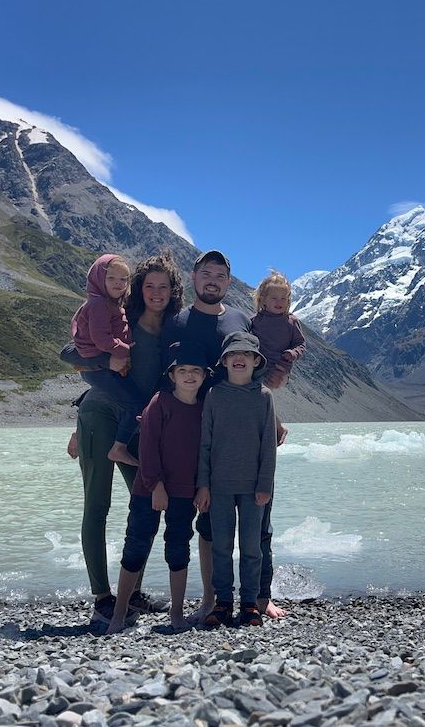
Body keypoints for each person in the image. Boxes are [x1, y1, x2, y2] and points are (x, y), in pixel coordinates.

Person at [66, 253, 216, 625]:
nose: (156, 293)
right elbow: (71, 352)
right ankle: (103, 595)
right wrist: (104, 366)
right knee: (97, 506)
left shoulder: (174, 331)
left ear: (173, 291)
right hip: (100, 416)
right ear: (138, 288)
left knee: (148, 505)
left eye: (163, 286)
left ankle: (131, 593)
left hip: (138, 426)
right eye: (148, 285)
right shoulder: (119, 318)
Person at [161, 250, 288, 621]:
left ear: (229, 282)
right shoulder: (177, 320)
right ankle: (212, 600)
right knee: (206, 526)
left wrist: (274, 418)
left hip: (243, 438)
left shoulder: (239, 319)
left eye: (219, 274)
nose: (212, 280)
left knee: (257, 533)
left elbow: (259, 371)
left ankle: (258, 599)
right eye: (206, 273)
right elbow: (159, 369)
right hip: (195, 434)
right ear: (194, 276)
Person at [106, 341, 209, 634]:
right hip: (149, 489)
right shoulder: (159, 403)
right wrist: (157, 486)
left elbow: (204, 452)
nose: (190, 376)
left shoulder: (203, 410)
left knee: (178, 549)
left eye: (196, 371)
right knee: (136, 545)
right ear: (172, 375)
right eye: (183, 371)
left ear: (204, 376)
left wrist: (203, 486)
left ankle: (176, 613)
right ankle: (119, 613)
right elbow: (148, 448)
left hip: (185, 491)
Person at [194, 331, 277, 628]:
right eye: (232, 354)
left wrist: (265, 485)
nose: (239, 358)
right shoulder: (215, 395)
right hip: (219, 488)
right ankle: (223, 602)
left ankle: (250, 603)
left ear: (256, 361)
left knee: (252, 547)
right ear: (225, 361)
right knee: (221, 547)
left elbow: (269, 444)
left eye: (246, 354)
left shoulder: (264, 397)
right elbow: (205, 443)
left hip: (255, 488)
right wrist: (203, 484)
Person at [70, 254, 146, 467]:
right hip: (98, 372)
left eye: (124, 279)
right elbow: (99, 339)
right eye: (111, 278)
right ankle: (119, 448)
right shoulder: (99, 304)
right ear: (98, 278)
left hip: (99, 370)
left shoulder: (111, 304)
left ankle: (118, 445)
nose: (118, 284)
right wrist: (123, 350)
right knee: (136, 403)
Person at [251, 271, 307, 389]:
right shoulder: (255, 320)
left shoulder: (291, 321)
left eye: (283, 298)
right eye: (274, 298)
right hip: (256, 366)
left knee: (262, 392)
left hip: (279, 367)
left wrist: (293, 353)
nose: (279, 302)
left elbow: (300, 344)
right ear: (263, 299)